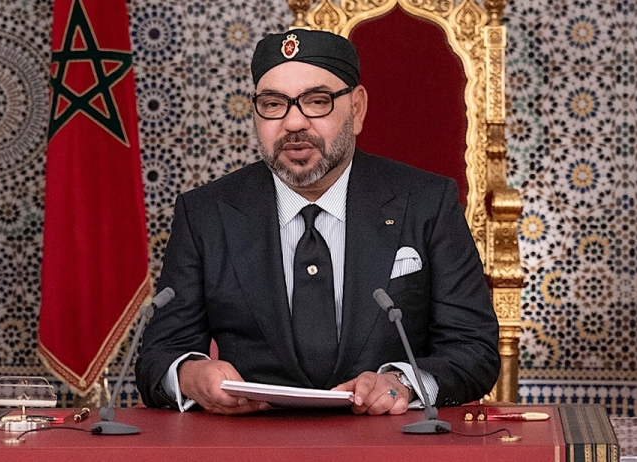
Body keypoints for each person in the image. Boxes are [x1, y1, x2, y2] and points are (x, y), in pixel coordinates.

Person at [136, 29, 500, 416]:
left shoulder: (427, 202)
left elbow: (474, 351)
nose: (294, 122)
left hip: (388, 438)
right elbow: (158, 356)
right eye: (273, 104)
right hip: (251, 438)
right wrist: (190, 376)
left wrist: (404, 383)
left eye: (317, 101)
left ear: (356, 108)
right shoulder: (205, 213)